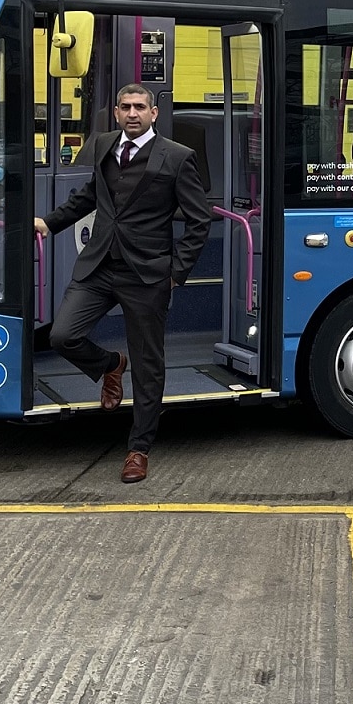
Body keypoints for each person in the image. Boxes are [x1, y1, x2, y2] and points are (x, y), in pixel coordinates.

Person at [35, 83, 211, 483]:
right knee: (62, 335)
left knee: (149, 367)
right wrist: (50, 222)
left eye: (140, 107)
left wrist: (175, 273)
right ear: (115, 112)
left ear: (154, 114)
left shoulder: (178, 157)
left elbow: (200, 220)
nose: (132, 113)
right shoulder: (103, 146)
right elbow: (90, 195)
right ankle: (110, 365)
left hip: (147, 275)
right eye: (125, 107)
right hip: (99, 265)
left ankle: (138, 449)